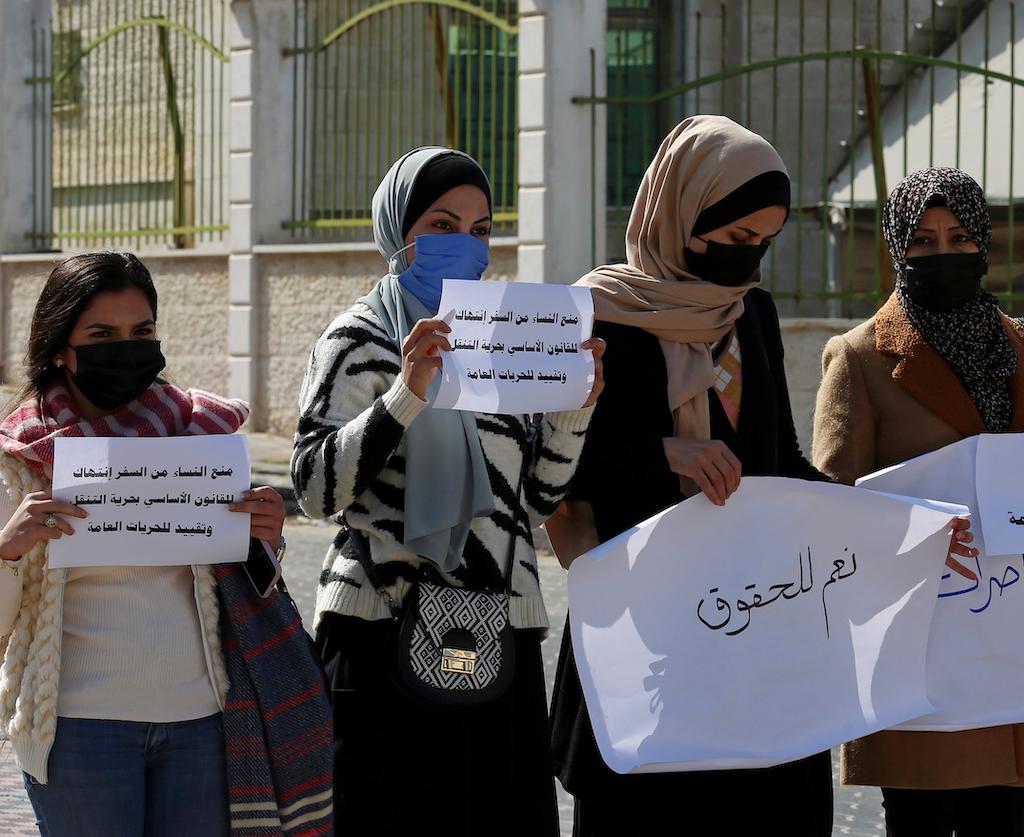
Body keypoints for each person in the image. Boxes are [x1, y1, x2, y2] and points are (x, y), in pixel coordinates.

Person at [547, 115, 974, 837]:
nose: (748, 261)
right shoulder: (595, 319)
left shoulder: (751, 315)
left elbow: (780, 462)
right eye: (737, 239)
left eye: (765, 242)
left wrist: (896, 530)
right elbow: (550, 469)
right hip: (648, 644)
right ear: (683, 211)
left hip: (756, 642)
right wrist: (663, 453)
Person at [812, 166, 1024, 836]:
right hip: (924, 653)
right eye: (921, 241)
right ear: (896, 248)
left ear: (983, 242)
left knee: (1005, 821)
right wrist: (911, 532)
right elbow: (829, 506)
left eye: (957, 236)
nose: (942, 254)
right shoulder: (859, 357)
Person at [292, 146, 605, 836]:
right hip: (380, 626)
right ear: (397, 231)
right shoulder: (356, 341)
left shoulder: (502, 338)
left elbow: (534, 504)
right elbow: (314, 487)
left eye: (480, 228)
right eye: (441, 224)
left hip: (500, 629)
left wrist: (574, 409)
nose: (464, 243)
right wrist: (406, 394)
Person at [0, 251, 331, 837]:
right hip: (77, 731)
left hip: (202, 724)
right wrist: (8, 549)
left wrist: (264, 539)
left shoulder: (201, 438)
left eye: (141, 331)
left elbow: (243, 589)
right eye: (102, 334)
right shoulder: (20, 461)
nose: (126, 348)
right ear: (58, 348)